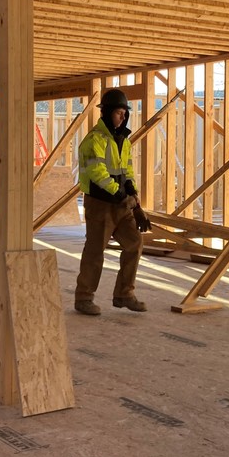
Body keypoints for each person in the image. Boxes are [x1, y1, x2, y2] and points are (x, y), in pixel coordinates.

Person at [74, 88, 147, 315]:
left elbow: (127, 171)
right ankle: (84, 298)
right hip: (100, 204)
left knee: (134, 244)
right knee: (95, 252)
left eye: (125, 113)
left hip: (121, 203)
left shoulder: (123, 140)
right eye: (118, 112)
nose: (123, 117)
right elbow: (98, 173)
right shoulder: (94, 140)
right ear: (105, 113)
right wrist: (120, 196)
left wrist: (134, 199)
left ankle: (124, 294)